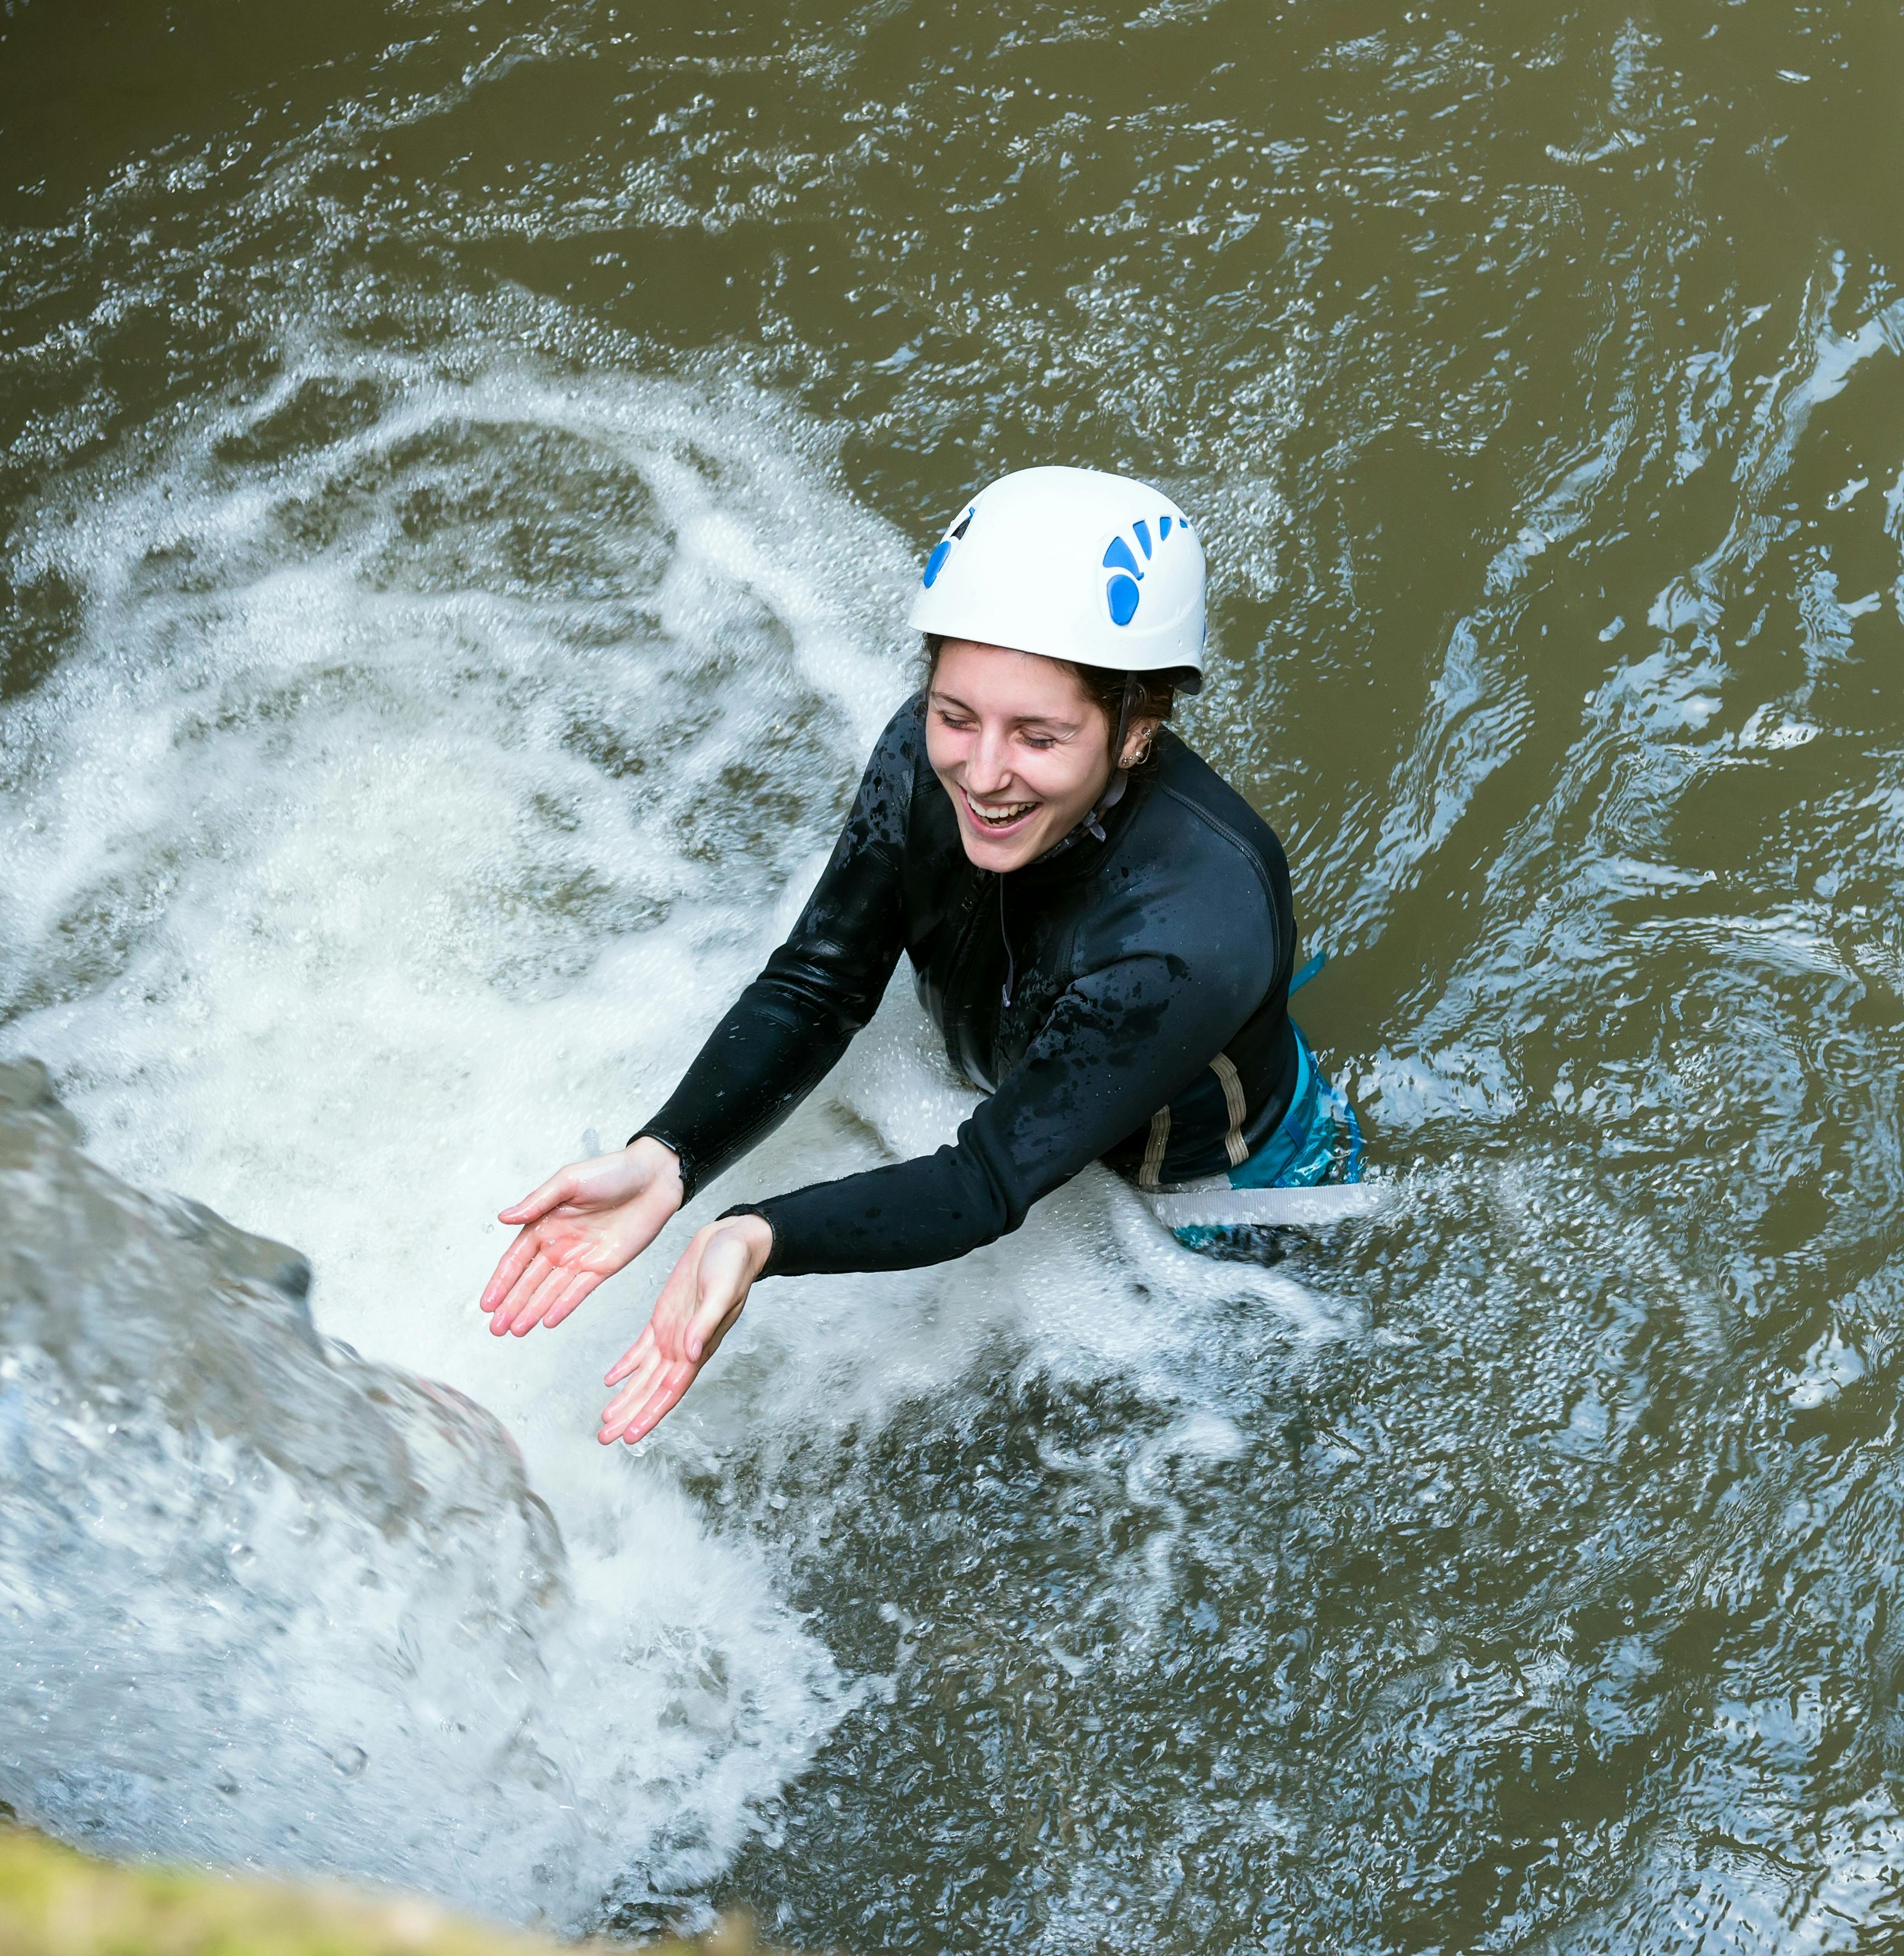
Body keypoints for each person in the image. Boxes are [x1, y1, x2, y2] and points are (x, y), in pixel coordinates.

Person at [477, 466, 1363, 1446]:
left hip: (1213, 1192)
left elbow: (985, 1180)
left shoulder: (1186, 933)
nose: (980, 776)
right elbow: (820, 980)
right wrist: (668, 1156)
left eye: (1039, 735)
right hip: (1049, 1066)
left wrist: (758, 1234)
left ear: (1136, 730)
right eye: (954, 714)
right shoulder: (920, 753)